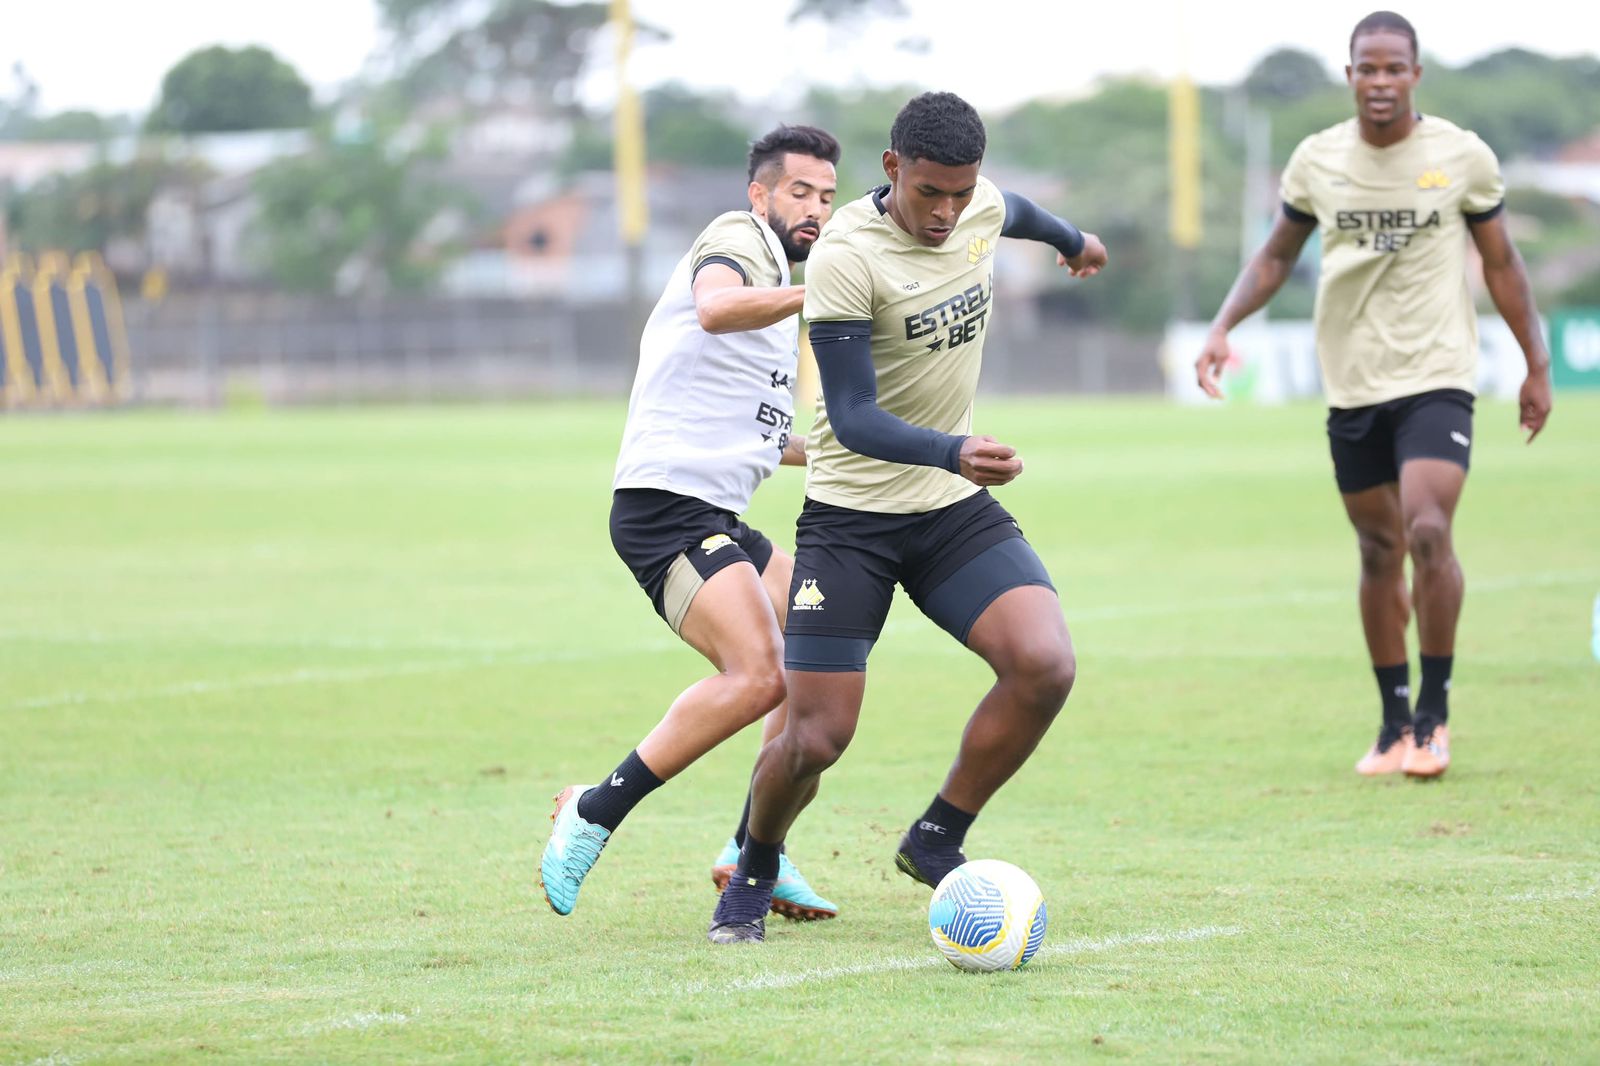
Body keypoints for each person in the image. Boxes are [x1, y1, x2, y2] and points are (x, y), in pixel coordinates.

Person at [706, 91, 1109, 944]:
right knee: (816, 737)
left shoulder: (978, 203)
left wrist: (1075, 241)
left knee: (1044, 664)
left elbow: (1016, 210)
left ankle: (936, 837)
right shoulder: (849, 256)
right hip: (852, 520)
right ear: (893, 170)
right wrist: (954, 451)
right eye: (931, 193)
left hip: (949, 512)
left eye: (961, 194)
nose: (949, 212)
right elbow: (850, 419)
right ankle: (752, 870)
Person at [1194, 11, 1553, 780]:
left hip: (1437, 374)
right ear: (1349, 73)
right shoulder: (1317, 160)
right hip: (1352, 380)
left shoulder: (1461, 156)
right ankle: (1393, 724)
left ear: (1415, 74)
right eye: (1368, 68)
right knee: (1377, 547)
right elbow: (1274, 256)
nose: (1381, 81)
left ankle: (1435, 718)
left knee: (1427, 529)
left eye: (1395, 68)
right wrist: (1224, 324)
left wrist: (1537, 362)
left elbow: (1502, 265)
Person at [541, 125, 843, 921]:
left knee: (825, 643)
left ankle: (752, 850)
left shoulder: (776, 278)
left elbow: (754, 431)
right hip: (664, 509)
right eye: (800, 193)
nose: (814, 210)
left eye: (825, 198)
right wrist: (825, 293)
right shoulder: (736, 240)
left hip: (717, 513)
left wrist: (838, 452)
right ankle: (595, 808)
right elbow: (714, 308)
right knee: (759, 673)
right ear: (761, 194)